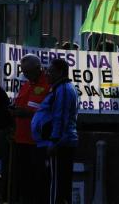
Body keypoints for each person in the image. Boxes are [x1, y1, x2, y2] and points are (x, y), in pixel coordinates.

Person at [32, 58, 78, 204]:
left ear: (60, 72)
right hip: (61, 142)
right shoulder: (61, 88)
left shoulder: (63, 89)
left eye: (50, 71)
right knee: (60, 182)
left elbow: (60, 117)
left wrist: (54, 141)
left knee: (56, 184)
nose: (47, 75)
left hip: (59, 144)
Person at [12, 54, 50, 204]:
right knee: (24, 179)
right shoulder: (26, 84)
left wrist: (28, 113)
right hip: (21, 139)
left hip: (37, 142)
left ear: (37, 68)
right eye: (23, 72)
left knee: (38, 180)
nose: (26, 75)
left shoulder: (48, 84)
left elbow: (49, 112)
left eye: (28, 71)